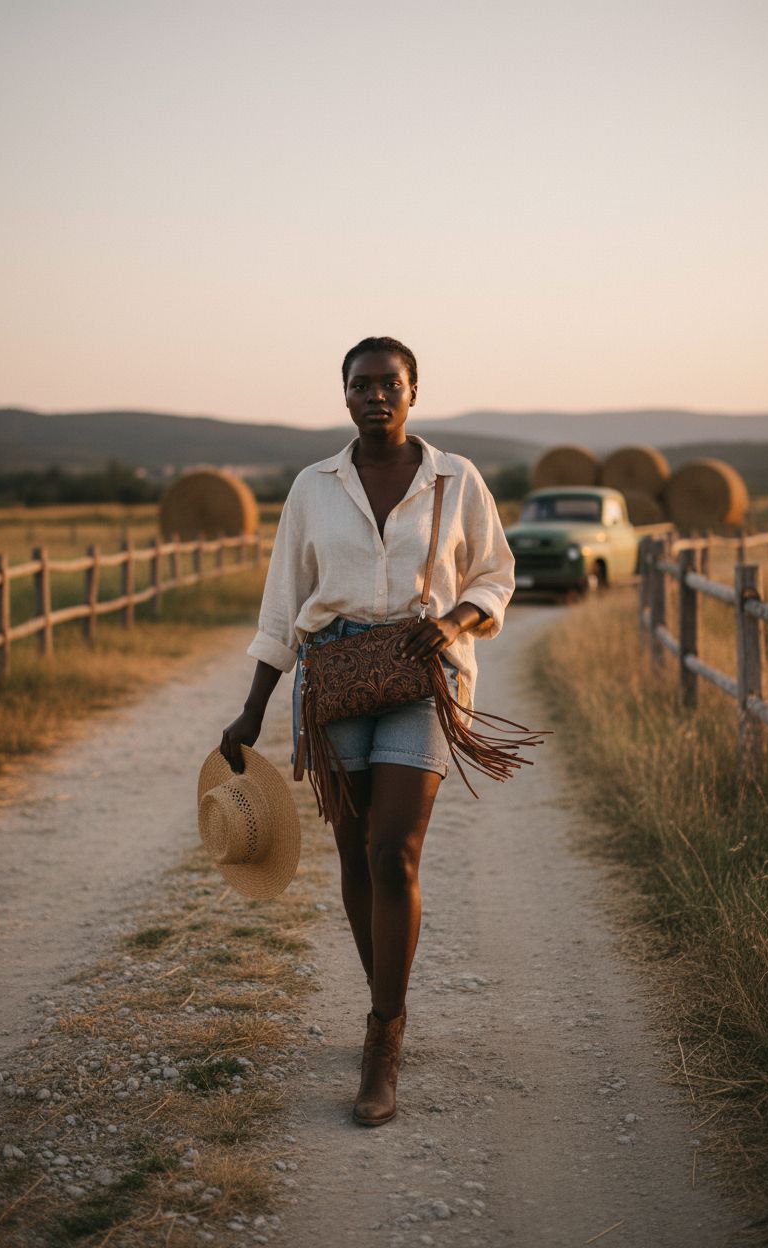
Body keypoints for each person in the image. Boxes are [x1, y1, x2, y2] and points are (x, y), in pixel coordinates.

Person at [219, 336, 515, 1126]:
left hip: (424, 675)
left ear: (415, 391)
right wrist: (252, 708)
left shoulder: (458, 480)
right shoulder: (313, 488)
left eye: (390, 383)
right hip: (333, 677)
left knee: (395, 848)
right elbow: (284, 606)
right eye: (361, 384)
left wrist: (453, 619)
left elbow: (496, 573)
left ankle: (383, 1035)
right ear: (343, 395)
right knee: (354, 852)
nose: (375, 395)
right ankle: (386, 1000)